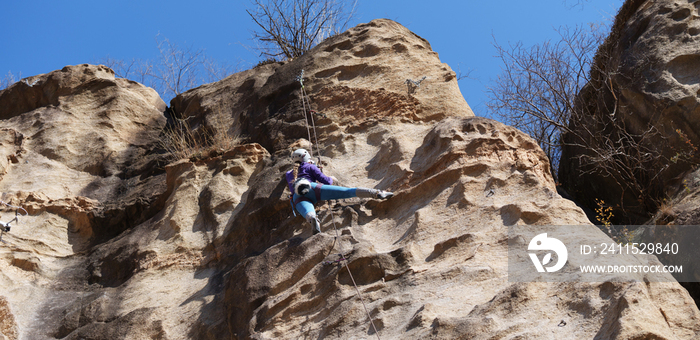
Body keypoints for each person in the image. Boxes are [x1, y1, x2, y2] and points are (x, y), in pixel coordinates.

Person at [286, 149, 393, 235]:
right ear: (307, 157)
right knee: (347, 192)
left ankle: (313, 219)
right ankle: (377, 193)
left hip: (298, 196)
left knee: (308, 212)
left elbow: (292, 188)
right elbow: (326, 181)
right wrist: (331, 177)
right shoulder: (310, 166)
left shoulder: (288, 173)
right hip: (313, 188)